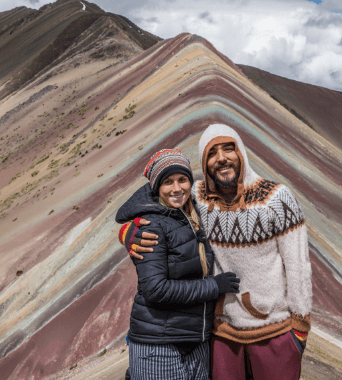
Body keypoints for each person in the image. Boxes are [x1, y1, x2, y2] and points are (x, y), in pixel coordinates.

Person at [121, 124, 312, 380]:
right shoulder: (197, 198)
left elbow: (298, 265)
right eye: (212, 153)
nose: (221, 158)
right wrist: (128, 232)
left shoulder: (277, 199)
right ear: (205, 163)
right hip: (221, 337)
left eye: (228, 149)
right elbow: (154, 196)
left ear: (241, 153)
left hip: (274, 334)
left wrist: (299, 331)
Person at [115, 149, 241, 380]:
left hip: (195, 340)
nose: (176, 188)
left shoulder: (193, 215)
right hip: (160, 344)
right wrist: (214, 286)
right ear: (156, 188)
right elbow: (155, 290)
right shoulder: (151, 226)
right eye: (168, 182)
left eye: (182, 180)